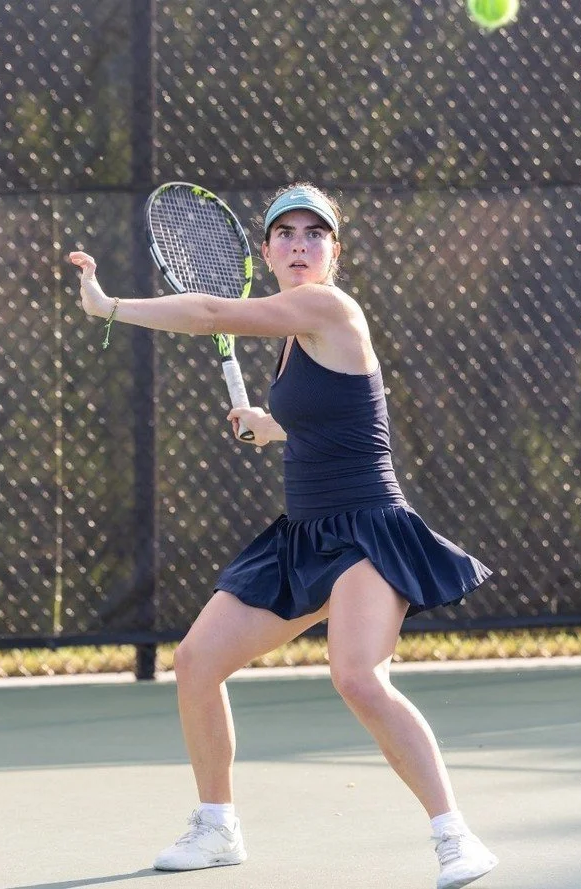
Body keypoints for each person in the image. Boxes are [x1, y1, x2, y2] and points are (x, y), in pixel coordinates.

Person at [68, 183, 498, 889]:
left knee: (358, 676)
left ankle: (455, 836)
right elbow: (335, 419)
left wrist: (110, 306)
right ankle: (216, 825)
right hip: (304, 535)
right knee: (197, 662)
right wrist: (273, 425)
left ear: (334, 251)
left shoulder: (328, 307)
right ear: (265, 250)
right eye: (287, 234)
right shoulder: (295, 336)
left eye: (315, 234)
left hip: (367, 532)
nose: (300, 244)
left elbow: (209, 313)